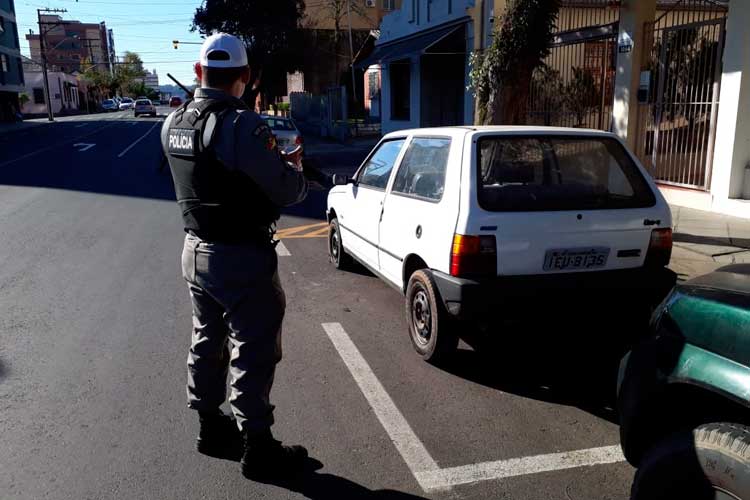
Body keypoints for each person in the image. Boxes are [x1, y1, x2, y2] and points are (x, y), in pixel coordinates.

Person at [160, 33, 308, 480]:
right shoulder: (243, 125)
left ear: (198, 71)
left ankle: (210, 427)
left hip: (194, 252)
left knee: (207, 338)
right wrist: (292, 168)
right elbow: (287, 190)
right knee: (254, 347)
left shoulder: (173, 123)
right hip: (241, 256)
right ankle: (257, 446)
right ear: (245, 75)